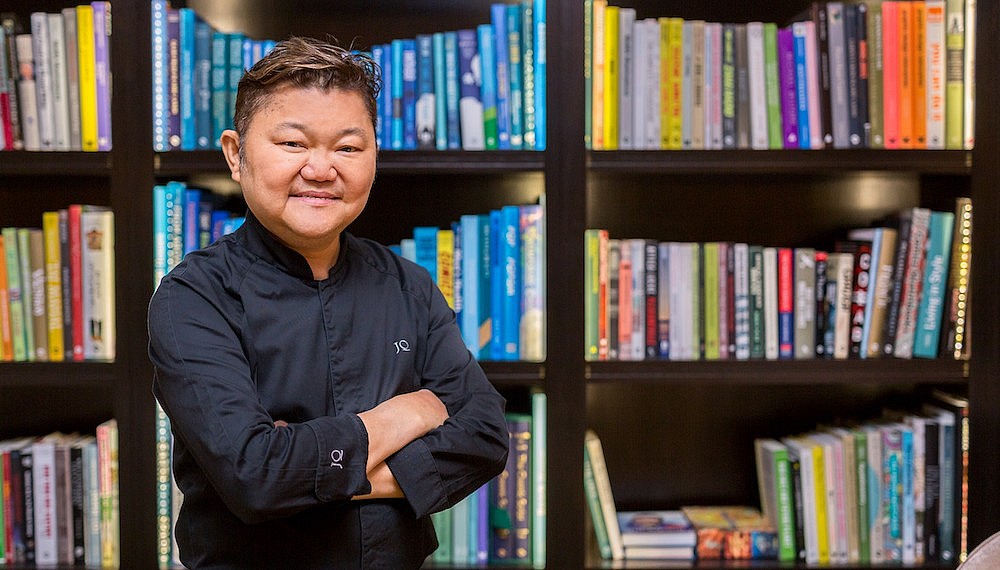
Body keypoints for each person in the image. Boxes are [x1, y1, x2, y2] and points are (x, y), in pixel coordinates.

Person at [148, 36, 510, 568]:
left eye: (348, 148)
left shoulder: (408, 286)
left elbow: (484, 437)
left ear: (374, 157)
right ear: (235, 154)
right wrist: (406, 414)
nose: (321, 170)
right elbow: (254, 476)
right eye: (293, 144)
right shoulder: (195, 297)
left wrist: (301, 466)